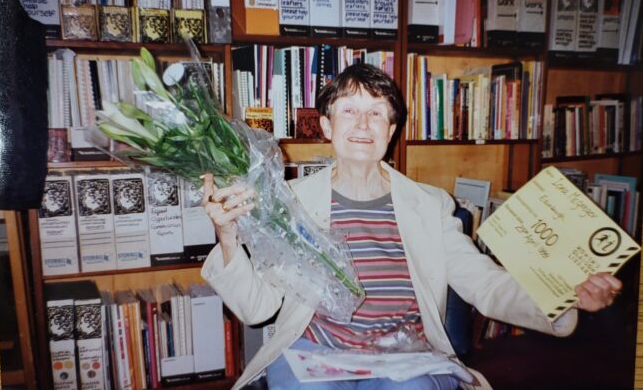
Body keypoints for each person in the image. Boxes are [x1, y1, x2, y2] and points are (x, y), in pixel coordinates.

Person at [201, 64, 622, 390]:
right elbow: (257, 308)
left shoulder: (429, 206)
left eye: (376, 114)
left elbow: (485, 285)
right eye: (349, 111)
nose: (363, 125)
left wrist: (564, 297)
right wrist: (227, 235)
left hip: (405, 355)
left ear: (392, 131)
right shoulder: (290, 203)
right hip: (317, 352)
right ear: (327, 126)